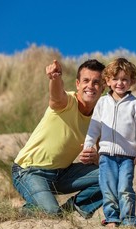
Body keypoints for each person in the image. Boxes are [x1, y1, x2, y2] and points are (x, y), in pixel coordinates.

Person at [11, 59, 105, 218]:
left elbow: (105, 157)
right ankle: (29, 211)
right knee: (51, 213)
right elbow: (56, 97)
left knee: (111, 174)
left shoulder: (99, 119)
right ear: (77, 84)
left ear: (103, 88)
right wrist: (55, 78)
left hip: (61, 175)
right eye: (86, 81)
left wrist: (97, 157)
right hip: (29, 171)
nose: (90, 86)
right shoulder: (67, 101)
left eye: (96, 82)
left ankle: (72, 210)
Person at [83, 57, 136, 228]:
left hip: (127, 156)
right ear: (107, 81)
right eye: (115, 79)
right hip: (106, 156)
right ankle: (112, 218)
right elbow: (94, 126)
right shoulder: (103, 103)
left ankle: (128, 219)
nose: (120, 83)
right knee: (108, 188)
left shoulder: (135, 104)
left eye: (124, 79)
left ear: (131, 81)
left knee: (125, 188)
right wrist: (88, 145)